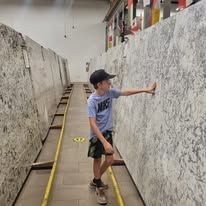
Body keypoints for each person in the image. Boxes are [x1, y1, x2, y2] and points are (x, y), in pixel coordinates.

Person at [87, 69, 156, 205]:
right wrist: (104, 142)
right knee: (97, 160)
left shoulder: (110, 93)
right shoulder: (92, 101)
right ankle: (99, 186)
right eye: (107, 81)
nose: (110, 83)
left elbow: (126, 92)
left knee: (110, 159)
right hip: (96, 135)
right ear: (99, 84)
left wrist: (145, 89)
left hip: (107, 132)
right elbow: (92, 124)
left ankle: (96, 180)